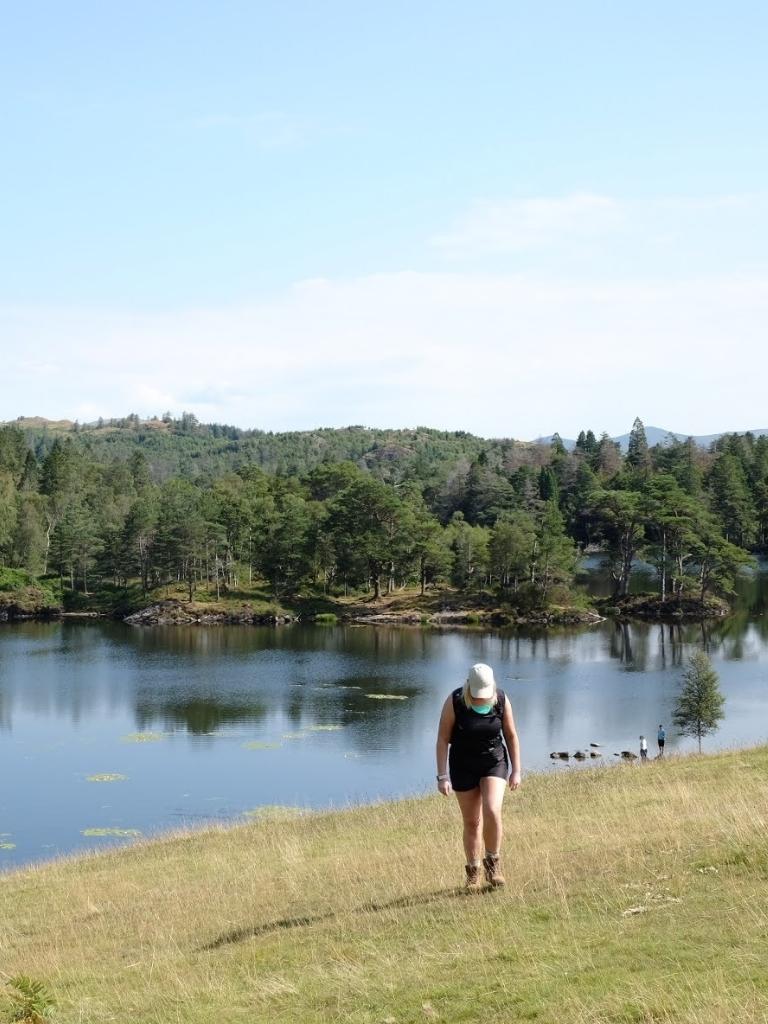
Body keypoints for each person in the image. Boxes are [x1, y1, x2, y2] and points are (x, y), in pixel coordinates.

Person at [435, 663, 521, 890]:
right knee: (472, 822)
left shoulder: (501, 700)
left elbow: (511, 736)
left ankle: (493, 866)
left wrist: (517, 770)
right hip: (463, 765)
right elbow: (443, 739)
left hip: (494, 761)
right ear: (469, 686)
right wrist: (442, 776)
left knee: (492, 809)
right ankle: (473, 872)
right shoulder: (455, 701)